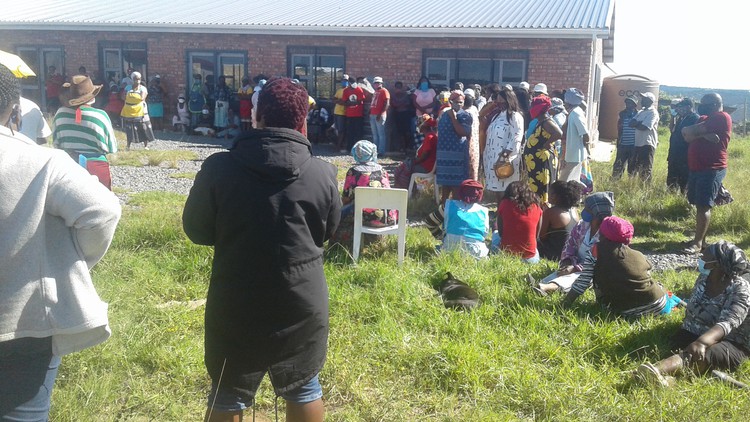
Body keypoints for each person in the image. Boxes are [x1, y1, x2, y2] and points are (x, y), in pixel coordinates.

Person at [183, 77, 341, 422]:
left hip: (236, 293)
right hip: (301, 295)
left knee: (228, 389)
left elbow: (196, 231)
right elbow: (328, 232)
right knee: (303, 384)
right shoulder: (323, 173)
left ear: (257, 117)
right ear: (303, 121)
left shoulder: (218, 168)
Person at [0, 64, 121, 421]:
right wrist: (75, 259)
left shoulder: (62, 123)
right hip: (23, 320)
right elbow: (101, 210)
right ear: (14, 108)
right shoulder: (42, 162)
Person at [637, 241, 750, 387]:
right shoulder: (704, 279)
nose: (701, 258)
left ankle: (655, 371)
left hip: (734, 341)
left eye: (705, 256)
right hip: (702, 331)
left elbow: (729, 322)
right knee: (681, 342)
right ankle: (669, 379)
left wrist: (702, 342)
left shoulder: (740, 288)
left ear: (716, 265)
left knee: (709, 352)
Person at [562, 216, 684, 317]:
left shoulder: (596, 252)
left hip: (625, 312)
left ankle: (677, 302)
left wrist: (565, 304)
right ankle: (681, 303)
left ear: (602, 234)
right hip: (658, 305)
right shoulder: (637, 255)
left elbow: (583, 282)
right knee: (660, 288)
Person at [531, 191, 615, 295]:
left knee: (578, 277)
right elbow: (570, 245)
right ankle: (542, 284)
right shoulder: (581, 226)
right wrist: (567, 261)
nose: (584, 211)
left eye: (587, 209)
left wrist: (575, 268)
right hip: (575, 263)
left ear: (596, 212)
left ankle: (548, 287)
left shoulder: (609, 234)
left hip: (593, 271)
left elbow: (599, 263)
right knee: (562, 273)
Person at [681, 93, 732, 255]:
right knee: (698, 203)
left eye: (705, 103)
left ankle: (697, 243)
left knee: (704, 205)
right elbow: (686, 134)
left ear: (716, 104)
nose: (701, 106)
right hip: (697, 167)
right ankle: (700, 239)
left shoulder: (721, 117)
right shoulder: (705, 118)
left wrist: (697, 133)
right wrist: (703, 134)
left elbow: (690, 133)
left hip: (711, 168)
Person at [53, 74, 118, 190]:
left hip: (69, 164)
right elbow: (112, 147)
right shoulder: (100, 116)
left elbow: (56, 143)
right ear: (93, 97)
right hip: (96, 165)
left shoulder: (60, 114)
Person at [329, 139, 394, 250]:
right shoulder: (383, 171)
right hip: (386, 217)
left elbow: (346, 198)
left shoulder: (353, 172)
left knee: (335, 212)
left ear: (356, 154)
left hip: (362, 217)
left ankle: (337, 246)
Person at [479, 84, 524, 205]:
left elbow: (516, 138)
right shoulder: (497, 115)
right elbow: (481, 115)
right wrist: (492, 106)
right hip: (492, 157)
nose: (498, 104)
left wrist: (504, 156)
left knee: (506, 189)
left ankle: (506, 213)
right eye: (497, 101)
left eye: (501, 102)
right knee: (497, 189)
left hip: (505, 158)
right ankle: (501, 212)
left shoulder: (515, 116)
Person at [523, 95, 563, 203]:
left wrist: (547, 143)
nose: (531, 109)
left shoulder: (546, 122)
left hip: (542, 164)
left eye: (533, 106)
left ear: (539, 108)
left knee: (542, 188)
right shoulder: (540, 121)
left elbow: (559, 133)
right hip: (537, 164)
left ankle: (543, 212)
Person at [435, 90, 473, 203]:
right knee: (445, 187)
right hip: (444, 155)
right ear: (451, 102)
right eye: (456, 102)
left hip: (458, 157)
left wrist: (454, 118)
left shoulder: (465, 116)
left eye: (461, 102)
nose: (459, 104)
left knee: (457, 187)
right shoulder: (445, 114)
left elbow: (463, 132)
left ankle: (454, 211)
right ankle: (443, 211)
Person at [495, 180, 543, 263]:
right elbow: (537, 235)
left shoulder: (504, 204)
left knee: (495, 234)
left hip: (507, 255)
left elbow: (500, 233)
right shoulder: (537, 207)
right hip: (530, 258)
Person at [441, 179, 490, 259]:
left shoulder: (449, 206)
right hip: (476, 253)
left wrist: (440, 237)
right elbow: (485, 234)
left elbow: (430, 221)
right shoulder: (483, 211)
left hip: (450, 251)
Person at [537, 180, 582, 261]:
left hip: (555, 254)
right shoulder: (574, 210)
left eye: (550, 194)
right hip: (572, 253)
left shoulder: (550, 212)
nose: (548, 196)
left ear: (555, 196)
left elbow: (542, 236)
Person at [393, 114, 437, 190]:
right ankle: (409, 190)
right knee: (403, 166)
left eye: (419, 123)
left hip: (427, 167)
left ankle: (405, 190)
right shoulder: (430, 135)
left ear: (424, 125)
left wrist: (413, 162)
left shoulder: (429, 137)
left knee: (401, 170)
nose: (417, 125)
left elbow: (424, 156)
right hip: (427, 165)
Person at [667, 98, 700, 193]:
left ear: (689, 107)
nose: (678, 109)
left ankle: (683, 199)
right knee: (672, 179)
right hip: (674, 154)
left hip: (684, 155)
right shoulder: (681, 118)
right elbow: (672, 130)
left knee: (684, 181)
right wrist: (673, 117)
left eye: (681, 107)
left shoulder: (694, 118)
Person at [559, 88, 589, 183]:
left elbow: (585, 133)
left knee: (565, 180)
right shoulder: (572, 111)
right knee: (569, 180)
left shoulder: (576, 113)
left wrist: (587, 147)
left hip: (573, 153)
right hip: (569, 152)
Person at [630, 92, 659, 181]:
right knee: (633, 168)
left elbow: (644, 127)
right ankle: (634, 187)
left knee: (645, 169)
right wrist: (638, 123)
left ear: (650, 101)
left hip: (647, 143)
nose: (642, 100)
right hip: (638, 143)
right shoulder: (641, 111)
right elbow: (630, 123)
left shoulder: (653, 112)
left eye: (644, 99)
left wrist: (637, 124)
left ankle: (645, 189)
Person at [120, 71, 152, 150]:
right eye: (135, 79)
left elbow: (142, 98)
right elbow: (123, 97)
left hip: (141, 111)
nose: (137, 80)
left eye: (139, 79)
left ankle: (145, 145)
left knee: (143, 127)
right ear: (132, 79)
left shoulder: (143, 88)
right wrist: (132, 94)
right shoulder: (127, 88)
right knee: (129, 128)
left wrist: (131, 95)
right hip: (129, 112)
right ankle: (128, 146)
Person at [612, 96, 638, 180]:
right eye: (627, 103)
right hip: (623, 144)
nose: (628, 105)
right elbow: (619, 129)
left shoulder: (638, 115)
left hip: (633, 145)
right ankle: (615, 181)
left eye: (630, 103)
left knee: (632, 165)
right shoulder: (622, 114)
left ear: (635, 105)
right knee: (618, 164)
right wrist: (618, 141)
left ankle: (631, 183)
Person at [390, 81, 415, 153]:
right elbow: (394, 104)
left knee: (407, 132)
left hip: (406, 115)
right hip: (397, 115)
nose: (398, 89)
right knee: (399, 132)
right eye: (397, 87)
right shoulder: (393, 95)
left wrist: (399, 104)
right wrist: (401, 104)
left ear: (402, 87)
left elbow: (407, 104)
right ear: (395, 88)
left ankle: (407, 147)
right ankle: (401, 147)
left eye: (399, 87)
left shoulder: (406, 95)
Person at [342, 76, 366, 151]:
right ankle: (349, 148)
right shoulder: (346, 90)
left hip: (358, 115)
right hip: (349, 115)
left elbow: (360, 101)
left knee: (358, 133)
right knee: (350, 133)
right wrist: (351, 103)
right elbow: (344, 102)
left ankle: (359, 149)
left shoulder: (359, 89)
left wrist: (350, 103)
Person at [463, 88, 480, 181]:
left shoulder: (463, 113)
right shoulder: (474, 110)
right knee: (473, 167)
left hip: (466, 143)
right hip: (475, 145)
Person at [370, 76, 390, 154]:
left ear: (381, 83)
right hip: (372, 114)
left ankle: (381, 151)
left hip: (379, 115)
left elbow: (387, 104)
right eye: (375, 83)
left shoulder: (384, 91)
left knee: (381, 134)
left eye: (378, 83)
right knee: (375, 134)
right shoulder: (375, 92)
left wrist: (380, 114)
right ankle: (375, 151)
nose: (376, 84)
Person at [333, 74, 350, 152]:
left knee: (341, 130)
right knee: (337, 130)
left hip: (343, 113)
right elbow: (334, 100)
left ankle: (339, 146)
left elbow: (346, 102)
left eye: (346, 81)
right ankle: (338, 144)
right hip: (336, 112)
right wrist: (340, 101)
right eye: (343, 81)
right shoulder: (339, 90)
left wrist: (340, 101)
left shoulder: (349, 90)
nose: (344, 82)